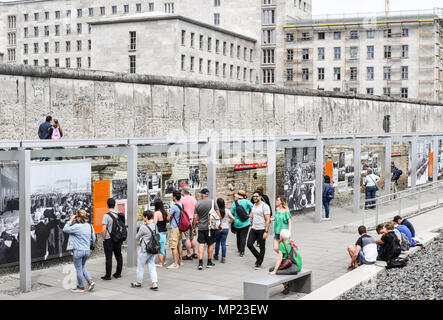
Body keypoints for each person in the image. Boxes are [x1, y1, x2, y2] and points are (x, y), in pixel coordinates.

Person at [62, 209, 95, 293]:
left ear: (79, 218)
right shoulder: (89, 226)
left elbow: (65, 229)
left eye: (77, 217)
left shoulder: (77, 227)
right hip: (87, 250)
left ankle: (81, 287)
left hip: (78, 251)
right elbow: (93, 238)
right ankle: (90, 281)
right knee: (82, 267)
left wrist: (71, 220)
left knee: (79, 269)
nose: (76, 219)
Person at [193, 188, 221, 270]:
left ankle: (200, 263)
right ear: (207, 194)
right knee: (210, 244)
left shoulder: (198, 204)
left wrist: (194, 227)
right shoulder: (213, 202)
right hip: (211, 227)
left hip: (201, 227)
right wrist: (220, 225)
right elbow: (218, 215)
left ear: (202, 194)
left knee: (201, 244)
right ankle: (209, 262)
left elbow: (195, 217)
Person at [130, 210, 158, 290]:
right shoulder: (154, 225)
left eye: (143, 216)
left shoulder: (143, 227)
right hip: (153, 249)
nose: (143, 218)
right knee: (152, 265)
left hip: (145, 249)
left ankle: (138, 282)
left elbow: (136, 237)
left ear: (146, 217)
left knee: (140, 266)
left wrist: (142, 237)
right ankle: (154, 284)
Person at [268, 229, 302, 295]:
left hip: (294, 266)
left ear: (281, 236)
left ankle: (287, 284)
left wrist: (275, 270)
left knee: (272, 270)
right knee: (275, 270)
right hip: (298, 265)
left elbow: (280, 258)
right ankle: (288, 283)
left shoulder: (282, 244)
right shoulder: (290, 242)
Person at [101, 198, 124, 280]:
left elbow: (104, 229)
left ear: (107, 205)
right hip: (118, 238)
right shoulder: (119, 214)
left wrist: (103, 238)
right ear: (114, 204)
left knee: (108, 257)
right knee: (119, 256)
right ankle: (118, 274)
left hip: (109, 239)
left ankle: (108, 276)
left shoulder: (106, 216)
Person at [247, 190, 271, 269]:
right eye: (254, 196)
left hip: (261, 229)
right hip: (254, 228)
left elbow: (268, 219)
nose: (255, 198)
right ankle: (259, 257)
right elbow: (252, 215)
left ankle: (259, 262)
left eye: (256, 196)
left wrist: (266, 231)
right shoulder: (253, 205)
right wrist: (250, 219)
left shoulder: (265, 206)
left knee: (262, 246)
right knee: (249, 244)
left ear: (260, 197)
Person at [230, 190, 253, 257]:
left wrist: (235, 219)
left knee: (238, 236)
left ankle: (239, 249)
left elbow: (231, 213)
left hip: (237, 223)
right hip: (246, 222)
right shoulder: (247, 201)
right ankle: (242, 251)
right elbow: (254, 207)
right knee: (243, 237)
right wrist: (250, 215)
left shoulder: (235, 203)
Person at [166, 190, 184, 269]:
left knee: (173, 246)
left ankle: (175, 263)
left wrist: (169, 216)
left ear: (174, 197)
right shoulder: (181, 205)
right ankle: (180, 260)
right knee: (179, 245)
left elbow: (167, 218)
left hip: (174, 228)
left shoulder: (174, 207)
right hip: (180, 227)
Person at [180, 186, 198, 260]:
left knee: (186, 238)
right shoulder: (194, 199)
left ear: (183, 192)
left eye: (181, 191)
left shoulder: (182, 200)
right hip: (193, 219)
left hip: (186, 221)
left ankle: (188, 254)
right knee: (192, 237)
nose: (181, 192)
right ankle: (194, 253)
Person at [214, 198, 231, 263]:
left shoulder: (216, 211)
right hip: (226, 228)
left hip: (218, 228)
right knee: (223, 243)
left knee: (217, 242)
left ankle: (216, 255)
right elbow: (232, 217)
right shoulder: (227, 210)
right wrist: (229, 223)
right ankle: (223, 257)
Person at [153, 199, 168, 267]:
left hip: (159, 232)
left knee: (159, 248)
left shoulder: (157, 213)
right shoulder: (165, 212)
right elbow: (167, 220)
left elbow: (154, 223)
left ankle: (160, 263)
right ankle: (164, 261)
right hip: (165, 231)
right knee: (163, 247)